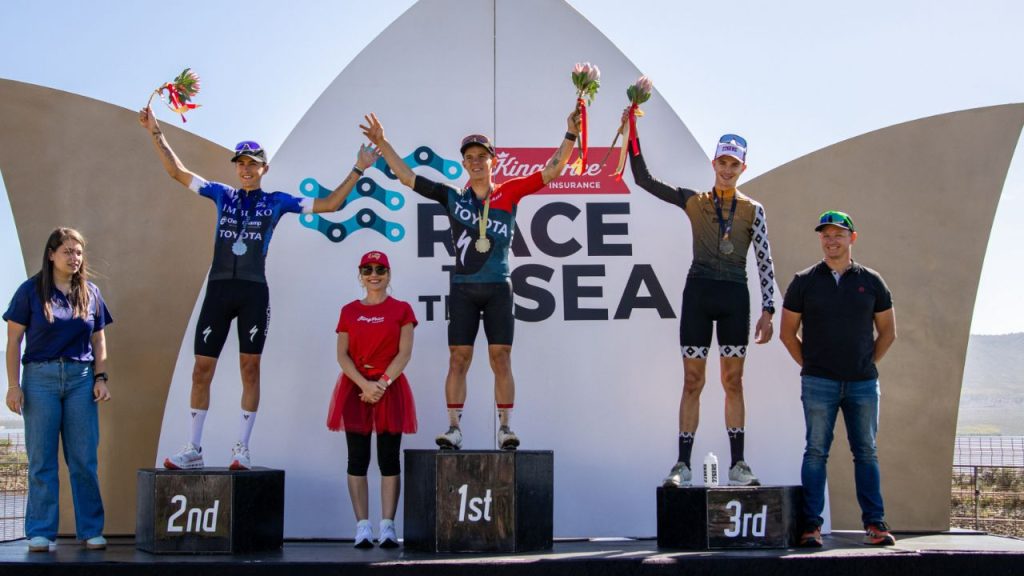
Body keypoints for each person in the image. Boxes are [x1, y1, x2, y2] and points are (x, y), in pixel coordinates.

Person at [139, 106, 380, 469]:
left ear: (264, 168)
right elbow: (177, 172)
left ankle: (242, 449)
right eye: (241, 163)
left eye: (253, 164)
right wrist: (155, 132)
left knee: (250, 368)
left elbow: (331, 204)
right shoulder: (221, 194)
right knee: (201, 369)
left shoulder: (276, 202)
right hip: (218, 290)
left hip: (253, 292)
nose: (246, 169)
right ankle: (193, 448)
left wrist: (359, 168)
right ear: (235, 167)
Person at [360, 105, 580, 450]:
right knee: (458, 358)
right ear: (463, 163)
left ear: (493, 160)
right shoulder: (452, 197)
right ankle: (453, 428)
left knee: (501, 357)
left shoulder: (510, 193)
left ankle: (506, 428)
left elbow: (552, 170)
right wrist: (384, 143)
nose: (476, 161)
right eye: (470, 157)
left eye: (482, 156)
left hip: (498, 287)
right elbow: (407, 177)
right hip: (463, 288)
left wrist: (570, 133)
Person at [628, 119, 776, 487]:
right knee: (692, 380)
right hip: (698, 294)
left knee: (733, 381)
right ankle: (682, 464)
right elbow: (644, 180)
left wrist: (769, 309)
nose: (727, 170)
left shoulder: (753, 210)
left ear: (744, 168)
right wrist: (632, 131)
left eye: (734, 165)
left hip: (734, 297)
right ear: (714, 164)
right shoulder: (694, 200)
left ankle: (739, 465)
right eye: (722, 163)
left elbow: (764, 261)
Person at [778, 210, 897, 547]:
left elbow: (888, 333)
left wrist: (864, 363)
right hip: (818, 383)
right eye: (826, 234)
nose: (831, 240)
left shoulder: (872, 281)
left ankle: (875, 525)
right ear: (821, 239)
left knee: (867, 453)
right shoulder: (804, 281)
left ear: (852, 238)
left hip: (862, 383)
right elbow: (788, 334)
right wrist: (812, 366)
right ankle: (811, 527)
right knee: (815, 453)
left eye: (838, 234)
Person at [4, 228, 113, 552]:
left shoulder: (90, 292)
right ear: (51, 254)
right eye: (67, 251)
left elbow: (98, 340)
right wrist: (13, 386)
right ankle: (40, 532)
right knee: (41, 460)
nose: (74, 258)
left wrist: (101, 378)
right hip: (40, 379)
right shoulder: (30, 292)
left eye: (78, 252)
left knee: (83, 459)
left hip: (81, 378)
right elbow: (13, 342)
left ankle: (91, 529)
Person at [328, 250, 417, 548]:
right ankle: (363, 527)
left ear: (389, 274)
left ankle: (388, 526)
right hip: (355, 390)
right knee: (358, 458)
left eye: (380, 269)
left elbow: (404, 353)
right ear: (361, 275)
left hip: (389, 389)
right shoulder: (349, 310)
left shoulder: (402, 309)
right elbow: (342, 354)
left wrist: (380, 384)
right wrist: (363, 385)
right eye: (367, 269)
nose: (374, 274)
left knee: (388, 459)